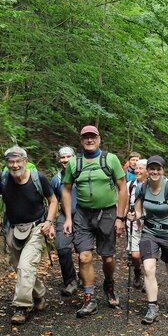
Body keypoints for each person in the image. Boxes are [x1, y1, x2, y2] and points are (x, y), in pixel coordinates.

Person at [0, 146, 58, 325]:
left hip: (36, 228)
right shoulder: (2, 179)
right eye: (11, 162)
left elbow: (53, 201)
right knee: (19, 267)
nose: (14, 165)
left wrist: (49, 222)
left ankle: (21, 307)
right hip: (12, 228)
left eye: (18, 161)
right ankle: (39, 295)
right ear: (7, 163)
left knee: (25, 266)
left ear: (25, 161)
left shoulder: (39, 178)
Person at [62, 125, 128, 318]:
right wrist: (67, 217)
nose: (89, 140)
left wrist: (120, 217)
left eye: (93, 137)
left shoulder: (110, 159)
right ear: (81, 141)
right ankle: (89, 297)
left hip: (107, 213)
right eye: (86, 138)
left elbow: (122, 188)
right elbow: (66, 189)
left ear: (99, 139)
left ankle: (109, 283)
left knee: (107, 257)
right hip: (82, 214)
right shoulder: (75, 163)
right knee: (84, 257)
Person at [129, 155, 168, 324]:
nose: (154, 171)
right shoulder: (142, 188)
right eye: (151, 169)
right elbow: (138, 211)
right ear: (147, 171)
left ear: (163, 170)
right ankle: (152, 307)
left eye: (157, 169)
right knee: (148, 268)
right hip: (149, 232)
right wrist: (134, 215)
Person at [50, 146, 79, 296]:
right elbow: (53, 201)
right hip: (64, 216)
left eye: (69, 156)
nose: (65, 160)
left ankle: (86, 280)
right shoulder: (56, 180)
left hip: (83, 216)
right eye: (63, 157)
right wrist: (50, 223)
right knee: (62, 248)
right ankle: (70, 281)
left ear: (75, 157)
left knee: (83, 251)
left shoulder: (82, 175)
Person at [126, 158, 147, 289]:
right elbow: (124, 203)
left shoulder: (153, 185)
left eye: (141, 168)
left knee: (149, 255)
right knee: (135, 255)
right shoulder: (130, 185)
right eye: (136, 168)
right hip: (133, 224)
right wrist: (125, 215)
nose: (137, 170)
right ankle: (137, 272)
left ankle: (148, 277)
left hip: (149, 226)